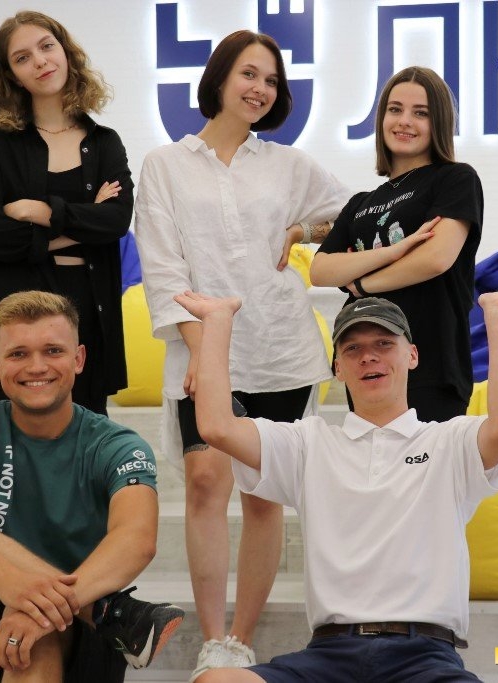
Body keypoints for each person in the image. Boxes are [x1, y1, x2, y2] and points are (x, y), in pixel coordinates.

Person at [173, 280, 498, 683]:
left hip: (424, 656)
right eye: (352, 349)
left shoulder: (449, 441)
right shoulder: (309, 443)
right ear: (338, 368)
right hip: (328, 655)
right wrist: (217, 322)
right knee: (216, 680)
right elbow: (218, 427)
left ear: (412, 355)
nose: (368, 356)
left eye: (384, 344)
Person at [133, 30, 348, 679]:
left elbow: (351, 214)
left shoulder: (287, 164)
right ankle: (212, 636)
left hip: (280, 347)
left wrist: (302, 229)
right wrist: (205, 356)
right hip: (202, 346)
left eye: (271, 80)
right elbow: (163, 268)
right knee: (205, 481)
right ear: (221, 78)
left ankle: (240, 637)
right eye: (249, 74)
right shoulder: (165, 164)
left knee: (262, 495)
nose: (260, 88)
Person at [0, 290, 184, 683]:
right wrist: (11, 583)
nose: (36, 366)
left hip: (73, 629)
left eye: (53, 351)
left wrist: (37, 607)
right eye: (18, 354)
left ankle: (75, 610)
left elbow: (137, 539)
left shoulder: (116, 445)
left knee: (36, 640)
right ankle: (104, 610)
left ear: (78, 359)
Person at [0, 10, 133, 415]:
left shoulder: (104, 143)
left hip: (87, 308)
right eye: (22, 58)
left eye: (46, 47)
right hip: (12, 309)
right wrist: (82, 223)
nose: (39, 61)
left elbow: (116, 221)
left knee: (82, 440)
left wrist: (40, 211)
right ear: (12, 75)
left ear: (66, 52)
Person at [310, 66, 482, 422]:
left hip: (432, 364)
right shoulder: (360, 203)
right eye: (395, 109)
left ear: (439, 123)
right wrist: (395, 251)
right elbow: (321, 270)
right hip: (366, 368)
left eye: (421, 113)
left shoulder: (455, 179)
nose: (405, 121)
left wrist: (362, 283)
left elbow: (435, 258)